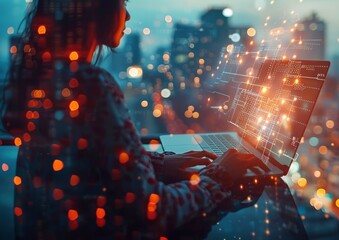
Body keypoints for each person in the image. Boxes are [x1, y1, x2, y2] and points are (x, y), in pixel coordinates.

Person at [1, 0, 268, 239]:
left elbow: (87, 162)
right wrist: (219, 177)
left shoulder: (48, 77)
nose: (127, 16)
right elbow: (153, 211)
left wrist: (157, 164)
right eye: (123, 2)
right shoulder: (90, 84)